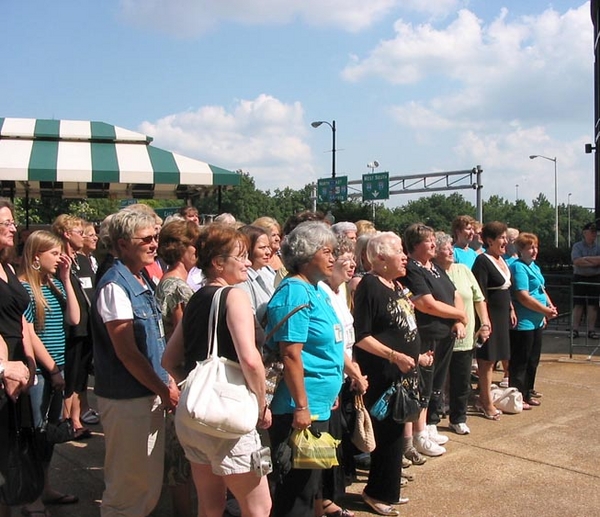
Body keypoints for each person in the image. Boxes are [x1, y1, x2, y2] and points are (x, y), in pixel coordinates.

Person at [163, 223, 272, 517]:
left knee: (210, 504)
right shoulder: (234, 296)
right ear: (218, 263)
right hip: (228, 419)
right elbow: (250, 360)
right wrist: (262, 405)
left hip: (194, 416)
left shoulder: (196, 298)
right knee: (259, 507)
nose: (248, 263)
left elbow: (168, 359)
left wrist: (195, 388)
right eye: (242, 256)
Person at [91, 208, 179, 517]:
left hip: (145, 393)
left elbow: (153, 342)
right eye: (147, 238)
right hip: (128, 398)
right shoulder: (116, 285)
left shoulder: (138, 277)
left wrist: (164, 382)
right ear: (122, 243)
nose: (155, 244)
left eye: (156, 237)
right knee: (127, 484)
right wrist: (163, 387)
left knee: (145, 481)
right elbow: (127, 352)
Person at [265, 221, 344, 517]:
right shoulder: (294, 292)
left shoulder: (316, 289)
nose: (333, 258)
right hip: (298, 408)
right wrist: (302, 405)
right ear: (308, 254)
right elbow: (291, 355)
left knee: (310, 487)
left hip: (317, 403)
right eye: (327, 251)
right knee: (295, 493)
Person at [353, 232, 419, 516]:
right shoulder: (370, 285)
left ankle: (389, 490)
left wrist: (418, 355)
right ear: (380, 258)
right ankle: (376, 492)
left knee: (395, 434)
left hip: (403, 373)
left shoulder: (395, 285)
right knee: (385, 435)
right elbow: (362, 336)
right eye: (399, 251)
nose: (405, 256)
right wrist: (395, 355)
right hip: (382, 375)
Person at [19, 230, 81, 517]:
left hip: (57, 370)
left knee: (48, 436)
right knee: (33, 435)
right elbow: (29, 335)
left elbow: (74, 318)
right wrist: (53, 370)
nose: (60, 258)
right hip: (43, 373)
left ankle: (44, 487)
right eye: (54, 254)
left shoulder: (54, 284)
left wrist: (67, 279)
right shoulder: (26, 289)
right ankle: (31, 496)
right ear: (36, 257)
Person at [402, 223, 467, 457]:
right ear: (414, 245)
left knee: (436, 384)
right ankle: (419, 436)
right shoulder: (413, 269)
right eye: (428, 240)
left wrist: (460, 320)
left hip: (445, 334)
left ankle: (429, 425)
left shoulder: (435, 268)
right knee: (424, 385)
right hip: (427, 335)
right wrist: (459, 315)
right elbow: (426, 304)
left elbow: (454, 294)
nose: (433, 244)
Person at [156, 219, 201, 517]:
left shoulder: (164, 282)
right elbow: (181, 336)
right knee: (181, 459)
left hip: (174, 375)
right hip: (181, 377)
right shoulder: (178, 288)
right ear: (183, 249)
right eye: (192, 245)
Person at [320, 236, 367, 517]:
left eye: (352, 259)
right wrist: (355, 372)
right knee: (330, 439)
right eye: (344, 259)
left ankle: (333, 496)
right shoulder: (324, 292)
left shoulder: (341, 291)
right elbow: (334, 343)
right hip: (335, 373)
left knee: (341, 438)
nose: (351, 264)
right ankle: (326, 500)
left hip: (344, 373)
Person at [433, 233, 491, 435]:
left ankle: (458, 418)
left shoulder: (464, 270)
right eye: (446, 248)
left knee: (462, 380)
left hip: (465, 338)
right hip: (440, 337)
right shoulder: (432, 273)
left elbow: (478, 298)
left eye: (451, 247)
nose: (451, 251)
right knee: (437, 381)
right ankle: (433, 418)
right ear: (435, 251)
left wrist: (484, 322)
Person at [0, 199, 36, 517]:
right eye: (6, 222)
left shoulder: (8, 266)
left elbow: (20, 320)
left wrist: (31, 361)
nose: (14, 227)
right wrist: (4, 368)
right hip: (3, 371)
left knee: (12, 454)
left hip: (18, 370)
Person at [51, 214, 95, 439]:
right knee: (69, 375)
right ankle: (67, 419)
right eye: (80, 232)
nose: (84, 236)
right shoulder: (58, 261)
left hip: (87, 328)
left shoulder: (83, 260)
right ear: (67, 234)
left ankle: (76, 417)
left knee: (81, 377)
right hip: (70, 329)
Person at [471, 221, 517, 421]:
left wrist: (511, 309)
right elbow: (479, 293)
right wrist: (484, 321)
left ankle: (486, 396)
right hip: (489, 316)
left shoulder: (502, 260)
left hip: (503, 315)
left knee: (499, 356)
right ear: (490, 240)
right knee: (487, 360)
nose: (505, 241)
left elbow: (506, 289)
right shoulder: (483, 261)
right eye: (502, 238)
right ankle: (485, 401)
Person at [509, 233, 557, 409]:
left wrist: (549, 307)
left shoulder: (534, 266)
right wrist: (544, 310)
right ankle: (517, 395)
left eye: (535, 247)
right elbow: (523, 296)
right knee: (521, 360)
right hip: (525, 322)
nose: (534, 250)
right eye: (530, 247)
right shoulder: (518, 267)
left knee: (533, 359)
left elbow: (541, 289)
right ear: (521, 250)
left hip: (537, 321)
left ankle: (528, 391)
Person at [236, 225, 274, 324]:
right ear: (248, 249)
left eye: (268, 247)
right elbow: (249, 320)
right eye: (262, 247)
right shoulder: (241, 280)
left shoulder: (265, 272)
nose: (268, 252)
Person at [571, 222, 600, 339]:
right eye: (591, 231)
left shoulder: (598, 247)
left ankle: (591, 330)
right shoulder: (577, 246)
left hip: (594, 278)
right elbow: (577, 261)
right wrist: (594, 261)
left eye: (595, 232)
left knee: (593, 305)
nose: (594, 234)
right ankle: (575, 330)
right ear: (584, 233)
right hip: (580, 277)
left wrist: (586, 259)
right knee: (578, 305)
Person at [253, 216, 283, 283]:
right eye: (273, 235)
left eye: (278, 235)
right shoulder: (259, 263)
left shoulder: (282, 256)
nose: (278, 239)